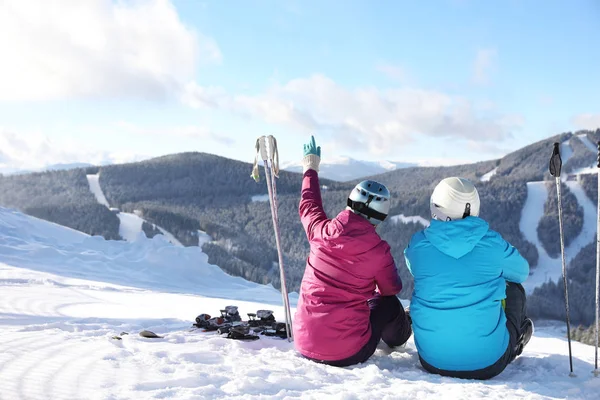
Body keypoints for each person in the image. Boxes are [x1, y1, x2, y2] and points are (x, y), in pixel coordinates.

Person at [293, 135, 412, 367]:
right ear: (381, 217)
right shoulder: (378, 251)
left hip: (304, 344)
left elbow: (308, 204)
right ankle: (398, 341)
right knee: (388, 304)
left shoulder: (320, 231)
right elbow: (391, 289)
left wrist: (310, 168)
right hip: (347, 353)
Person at [404, 176, 533, 380]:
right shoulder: (492, 243)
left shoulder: (418, 245)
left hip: (431, 360)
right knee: (514, 289)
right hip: (488, 364)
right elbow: (521, 273)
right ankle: (514, 341)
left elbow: (413, 269)